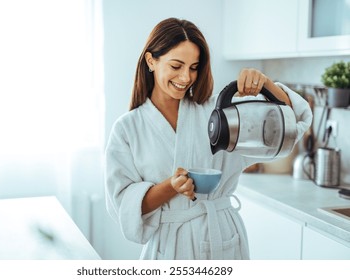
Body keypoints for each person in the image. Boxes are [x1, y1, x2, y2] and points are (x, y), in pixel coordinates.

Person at [105, 18, 312, 260]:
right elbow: (124, 205)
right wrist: (171, 186)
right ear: (151, 61)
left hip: (223, 238)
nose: (186, 77)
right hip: (169, 246)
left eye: (193, 67)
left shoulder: (219, 114)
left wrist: (264, 84)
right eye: (176, 66)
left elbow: (290, 124)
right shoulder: (127, 128)